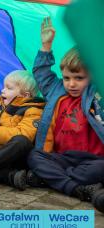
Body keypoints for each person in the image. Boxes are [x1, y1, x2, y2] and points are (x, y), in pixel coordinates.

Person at [27, 17, 104, 213]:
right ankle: (76, 188)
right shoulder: (55, 89)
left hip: (93, 160)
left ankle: (52, 179)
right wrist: (46, 45)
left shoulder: (97, 94)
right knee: (35, 156)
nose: (71, 84)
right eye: (67, 77)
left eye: (79, 78)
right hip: (63, 157)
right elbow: (41, 72)